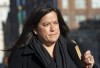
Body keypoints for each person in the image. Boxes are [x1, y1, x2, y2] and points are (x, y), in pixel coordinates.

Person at [8, 3, 96, 68]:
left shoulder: (73, 48)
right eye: (46, 24)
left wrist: (90, 66)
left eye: (55, 23)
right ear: (35, 30)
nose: (53, 28)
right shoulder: (20, 55)